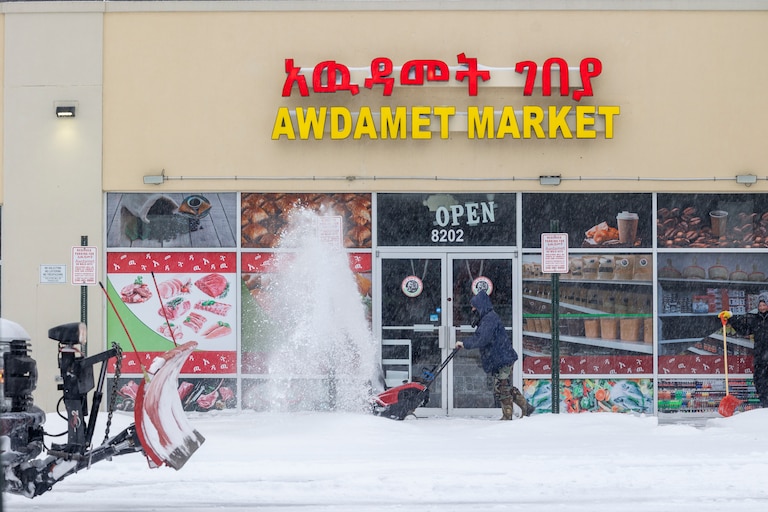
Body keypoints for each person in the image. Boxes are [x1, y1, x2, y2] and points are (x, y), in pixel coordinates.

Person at [455, 289, 534, 419]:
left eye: (474, 307)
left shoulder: (489, 319)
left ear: (480, 306)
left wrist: (465, 344)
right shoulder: (486, 318)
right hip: (501, 357)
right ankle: (526, 407)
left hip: (503, 358)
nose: (472, 310)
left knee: (502, 387)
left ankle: (507, 416)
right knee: (503, 386)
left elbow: (482, 338)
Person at [721, 298, 768, 408]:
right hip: (760, 355)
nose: (762, 308)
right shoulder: (755, 320)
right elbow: (743, 330)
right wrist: (731, 319)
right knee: (759, 380)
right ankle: (765, 404)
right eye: (760, 305)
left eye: (764, 305)